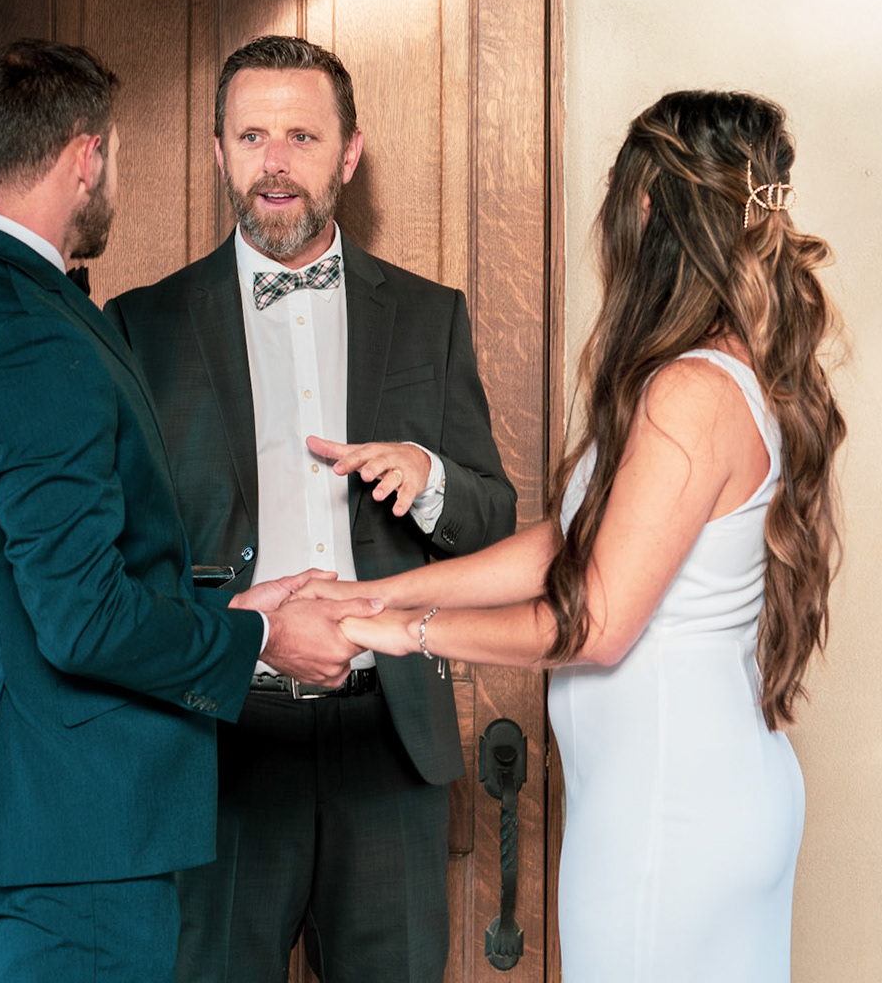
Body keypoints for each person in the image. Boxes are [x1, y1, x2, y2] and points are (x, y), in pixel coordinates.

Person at [0, 39, 378, 983]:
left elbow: (29, 581)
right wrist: (258, 639)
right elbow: (82, 619)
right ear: (85, 156)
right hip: (79, 833)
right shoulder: (28, 337)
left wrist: (232, 608)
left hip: (16, 811)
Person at [321, 90, 846, 981]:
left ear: (643, 209)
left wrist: (407, 635)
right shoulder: (730, 371)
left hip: (668, 815)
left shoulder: (689, 393)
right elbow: (569, 547)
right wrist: (379, 592)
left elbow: (594, 626)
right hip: (703, 791)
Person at [105, 35, 517, 983]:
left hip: (390, 746)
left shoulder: (431, 316)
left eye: (302, 136)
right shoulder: (140, 326)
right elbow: (122, 559)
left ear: (349, 153)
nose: (276, 163)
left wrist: (431, 476)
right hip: (220, 744)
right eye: (252, 137)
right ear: (219, 153)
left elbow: (494, 524)